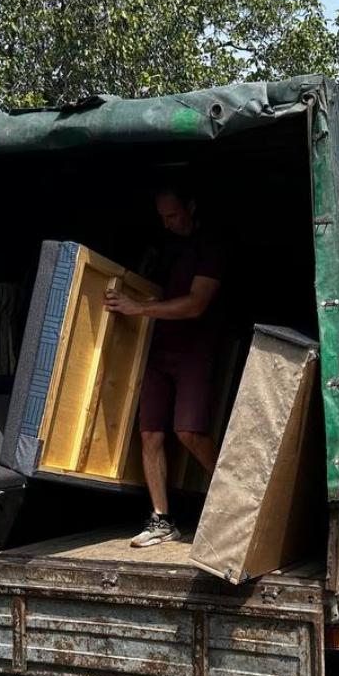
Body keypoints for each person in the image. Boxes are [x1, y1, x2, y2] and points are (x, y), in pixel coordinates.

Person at [104, 185, 224, 547]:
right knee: (150, 434)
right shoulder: (165, 246)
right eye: (162, 218)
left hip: (195, 350)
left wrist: (138, 308)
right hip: (159, 349)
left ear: (191, 205)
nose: (168, 223)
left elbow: (195, 304)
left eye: (172, 215)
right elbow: (149, 289)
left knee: (189, 431)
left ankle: (236, 499)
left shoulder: (212, 246)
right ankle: (162, 520)